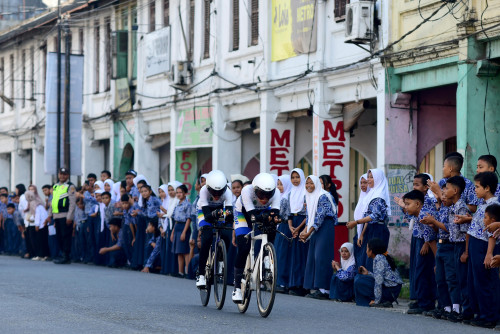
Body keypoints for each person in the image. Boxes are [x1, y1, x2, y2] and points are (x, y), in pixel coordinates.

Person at [232, 172, 280, 303]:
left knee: (272, 227)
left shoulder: (276, 193)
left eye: (268, 195)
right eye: (261, 194)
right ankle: (236, 288)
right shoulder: (247, 191)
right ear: (255, 190)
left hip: (262, 211)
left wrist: (275, 218)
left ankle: (266, 258)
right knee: (244, 247)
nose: (264, 198)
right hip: (244, 213)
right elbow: (252, 215)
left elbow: (275, 213)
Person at [394, 174, 437, 306]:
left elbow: (430, 230)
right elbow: (411, 214)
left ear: (426, 187)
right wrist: (403, 205)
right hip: (419, 237)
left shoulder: (429, 202)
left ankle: (426, 302)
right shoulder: (417, 204)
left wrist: (426, 244)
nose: (414, 187)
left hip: (427, 241)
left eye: (417, 184)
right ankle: (420, 299)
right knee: (418, 270)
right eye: (413, 184)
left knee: (424, 271)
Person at [420, 188, 461, 322]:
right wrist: (432, 224)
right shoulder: (442, 209)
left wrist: (435, 222)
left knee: (451, 278)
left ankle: (456, 308)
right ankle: (446, 308)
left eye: (445, 194)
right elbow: (439, 229)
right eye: (441, 194)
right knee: (440, 279)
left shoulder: (454, 209)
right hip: (440, 245)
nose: (442, 197)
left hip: (449, 245)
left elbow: (450, 229)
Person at [465, 172, 500, 328]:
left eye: (477, 187)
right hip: (474, 243)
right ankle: (480, 313)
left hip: (484, 246)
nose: (475, 190)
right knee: (475, 281)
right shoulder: (482, 203)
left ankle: (489, 316)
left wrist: (489, 253)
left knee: (485, 281)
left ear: (487, 188)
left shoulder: (494, 206)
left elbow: (493, 232)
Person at [346, 169, 391, 271]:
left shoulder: (379, 196)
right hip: (371, 229)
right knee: (366, 260)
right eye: (368, 177)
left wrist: (356, 222)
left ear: (378, 179)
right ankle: (366, 284)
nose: (369, 180)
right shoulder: (373, 194)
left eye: (371, 177)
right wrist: (362, 233)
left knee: (374, 261)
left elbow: (373, 216)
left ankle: (373, 284)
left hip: (377, 230)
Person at [300, 175, 337, 300]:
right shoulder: (310, 196)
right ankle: (316, 287)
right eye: (307, 183)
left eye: (311, 183)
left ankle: (325, 289)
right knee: (313, 257)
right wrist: (304, 231)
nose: (309, 185)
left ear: (316, 184)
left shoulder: (323, 196)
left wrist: (308, 232)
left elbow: (320, 217)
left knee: (322, 257)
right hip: (315, 228)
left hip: (325, 226)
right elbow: (309, 216)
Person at [196, 170, 233, 288]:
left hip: (219, 210)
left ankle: (221, 259)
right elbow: (207, 216)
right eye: (214, 192)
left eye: (219, 192)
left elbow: (229, 214)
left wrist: (224, 218)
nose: (216, 195)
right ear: (208, 188)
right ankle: (201, 275)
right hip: (204, 211)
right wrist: (218, 214)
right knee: (206, 239)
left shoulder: (228, 192)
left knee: (226, 234)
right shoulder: (203, 191)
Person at [402, 190, 437, 315]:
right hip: (425, 244)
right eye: (405, 204)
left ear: (417, 204)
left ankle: (426, 303)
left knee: (423, 274)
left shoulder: (423, 216)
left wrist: (437, 261)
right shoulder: (418, 215)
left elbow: (432, 240)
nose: (405, 207)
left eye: (408, 204)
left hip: (431, 248)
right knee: (420, 272)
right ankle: (423, 301)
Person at [354, 238, 403, 307]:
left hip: (390, 292)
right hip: (391, 290)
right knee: (360, 277)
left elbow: (378, 282)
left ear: (371, 251)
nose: (366, 251)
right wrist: (368, 273)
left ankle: (382, 301)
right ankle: (381, 300)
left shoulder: (379, 258)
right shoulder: (381, 257)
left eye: (367, 248)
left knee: (359, 280)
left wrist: (377, 301)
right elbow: (381, 277)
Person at [46, 168, 76, 264]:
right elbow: (53, 201)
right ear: (58, 175)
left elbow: (72, 203)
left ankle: (66, 256)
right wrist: (49, 215)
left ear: (67, 175)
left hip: (65, 215)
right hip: (56, 216)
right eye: (61, 174)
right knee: (59, 236)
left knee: (65, 236)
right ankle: (62, 254)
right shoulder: (55, 186)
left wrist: (69, 217)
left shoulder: (70, 186)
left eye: (64, 174)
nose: (62, 176)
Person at [287, 168, 308, 296]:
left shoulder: (306, 192)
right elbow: (289, 212)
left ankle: (302, 285)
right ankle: (293, 284)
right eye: (293, 177)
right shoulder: (290, 193)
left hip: (302, 223)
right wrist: (290, 227)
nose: (295, 180)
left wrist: (298, 228)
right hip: (293, 223)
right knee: (294, 256)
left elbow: (308, 213)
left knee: (302, 255)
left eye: (297, 177)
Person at [136, 185, 161, 269]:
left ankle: (152, 265)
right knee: (149, 244)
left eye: (145, 191)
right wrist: (138, 212)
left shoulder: (155, 200)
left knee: (155, 245)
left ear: (150, 191)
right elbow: (147, 213)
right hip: (150, 222)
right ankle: (147, 264)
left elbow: (161, 209)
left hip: (156, 223)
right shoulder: (146, 201)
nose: (144, 193)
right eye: (142, 192)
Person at [274, 174, 292, 293]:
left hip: (285, 227)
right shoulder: (280, 196)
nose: (279, 187)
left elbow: (285, 215)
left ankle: (282, 282)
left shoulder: (287, 197)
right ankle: (278, 281)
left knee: (282, 256)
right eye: (278, 184)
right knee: (277, 255)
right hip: (280, 227)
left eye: (281, 184)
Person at [171, 184, 192, 277]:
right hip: (177, 226)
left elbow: (188, 219)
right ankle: (180, 272)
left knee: (185, 251)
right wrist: (172, 232)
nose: (178, 194)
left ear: (185, 193)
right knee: (179, 251)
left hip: (184, 227)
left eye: (180, 192)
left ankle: (188, 272)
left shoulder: (187, 204)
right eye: (177, 192)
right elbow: (175, 220)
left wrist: (184, 232)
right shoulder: (177, 204)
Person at [26, 190, 50, 261]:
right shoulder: (37, 202)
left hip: (40, 225)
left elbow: (37, 215)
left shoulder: (33, 203)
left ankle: (41, 255)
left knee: (40, 241)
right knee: (43, 240)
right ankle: (44, 255)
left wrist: (36, 225)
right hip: (43, 224)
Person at [352, 174, 370, 265]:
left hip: (366, 232)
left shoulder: (371, 197)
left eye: (365, 182)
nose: (362, 185)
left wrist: (362, 234)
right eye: (361, 183)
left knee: (364, 260)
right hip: (359, 232)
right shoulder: (362, 197)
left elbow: (368, 217)